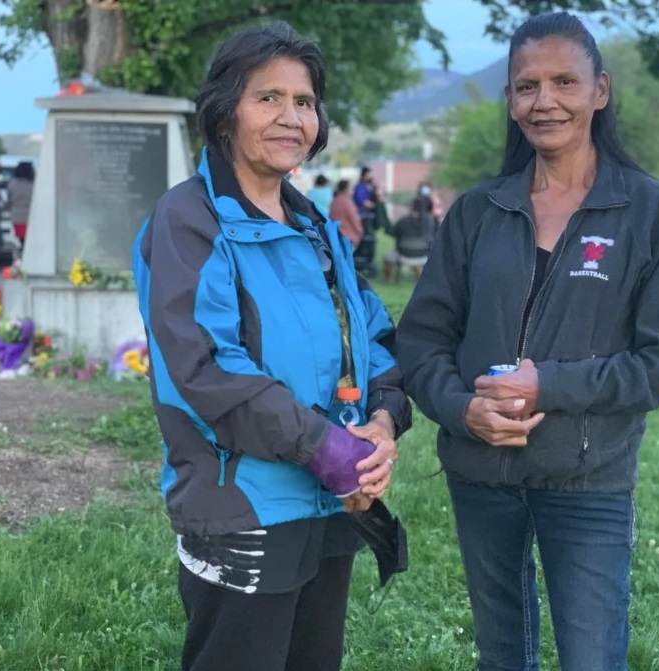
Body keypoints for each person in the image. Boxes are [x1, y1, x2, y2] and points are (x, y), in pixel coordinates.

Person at [396, 12, 659, 671]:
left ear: (600, 91)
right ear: (509, 100)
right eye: (525, 86)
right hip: (480, 472)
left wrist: (548, 384)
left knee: (591, 656)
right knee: (501, 654)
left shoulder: (647, 211)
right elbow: (420, 342)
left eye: (564, 81)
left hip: (587, 478)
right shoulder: (477, 211)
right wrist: (461, 408)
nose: (544, 100)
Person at [131, 22, 411, 671]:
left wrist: (382, 422)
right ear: (226, 109)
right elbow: (205, 368)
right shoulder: (188, 220)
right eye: (269, 98)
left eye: (305, 101)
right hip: (242, 509)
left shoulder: (314, 223)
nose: (292, 117)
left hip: (332, 498)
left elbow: (369, 333)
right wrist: (327, 448)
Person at [382, 197, 433, 283]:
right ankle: (421, 280)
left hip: (404, 255)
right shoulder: (429, 221)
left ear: (412, 207)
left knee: (388, 258)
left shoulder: (403, 221)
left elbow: (391, 233)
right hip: (424, 256)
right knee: (416, 258)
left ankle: (388, 279)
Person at [7, 161, 35, 250]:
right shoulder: (34, 184)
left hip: (17, 217)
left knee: (23, 240)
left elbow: (9, 201)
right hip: (32, 216)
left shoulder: (12, 184)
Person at [329, 178, 363, 248]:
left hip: (336, 236)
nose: (353, 190)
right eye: (351, 188)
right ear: (346, 189)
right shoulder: (347, 202)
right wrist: (360, 232)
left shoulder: (335, 201)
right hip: (348, 237)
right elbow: (354, 220)